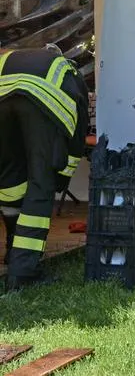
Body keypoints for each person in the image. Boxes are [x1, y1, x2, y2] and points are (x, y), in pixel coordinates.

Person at [0, 46, 89, 290]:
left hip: (2, 101)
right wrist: (61, 175)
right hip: (44, 100)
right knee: (41, 184)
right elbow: (78, 134)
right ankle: (23, 272)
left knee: (9, 181)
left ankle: (13, 250)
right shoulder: (69, 72)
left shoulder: (11, 58)